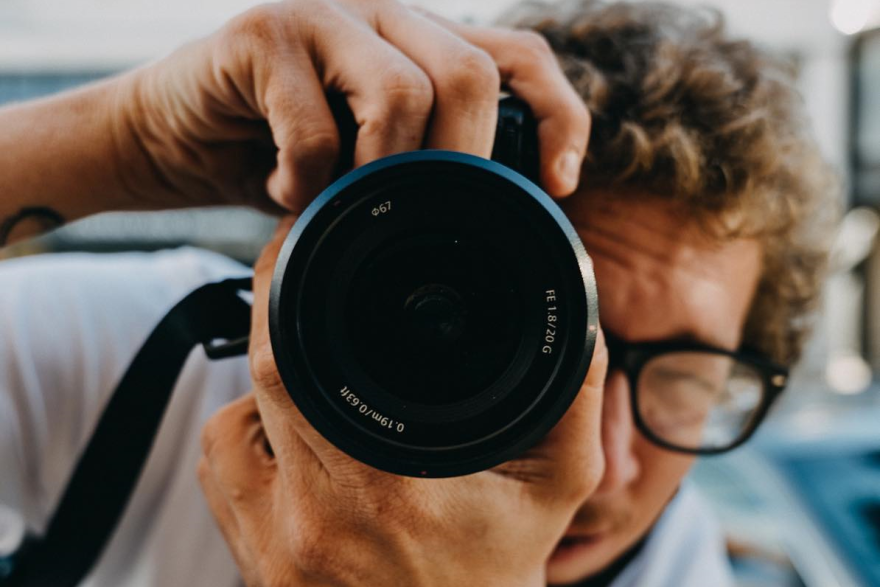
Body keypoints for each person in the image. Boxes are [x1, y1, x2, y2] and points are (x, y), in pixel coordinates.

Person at [0, 0, 837, 586]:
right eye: (544, 350)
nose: (599, 468)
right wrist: (116, 143)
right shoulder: (152, 371)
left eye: (685, 380)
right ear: (384, 262)